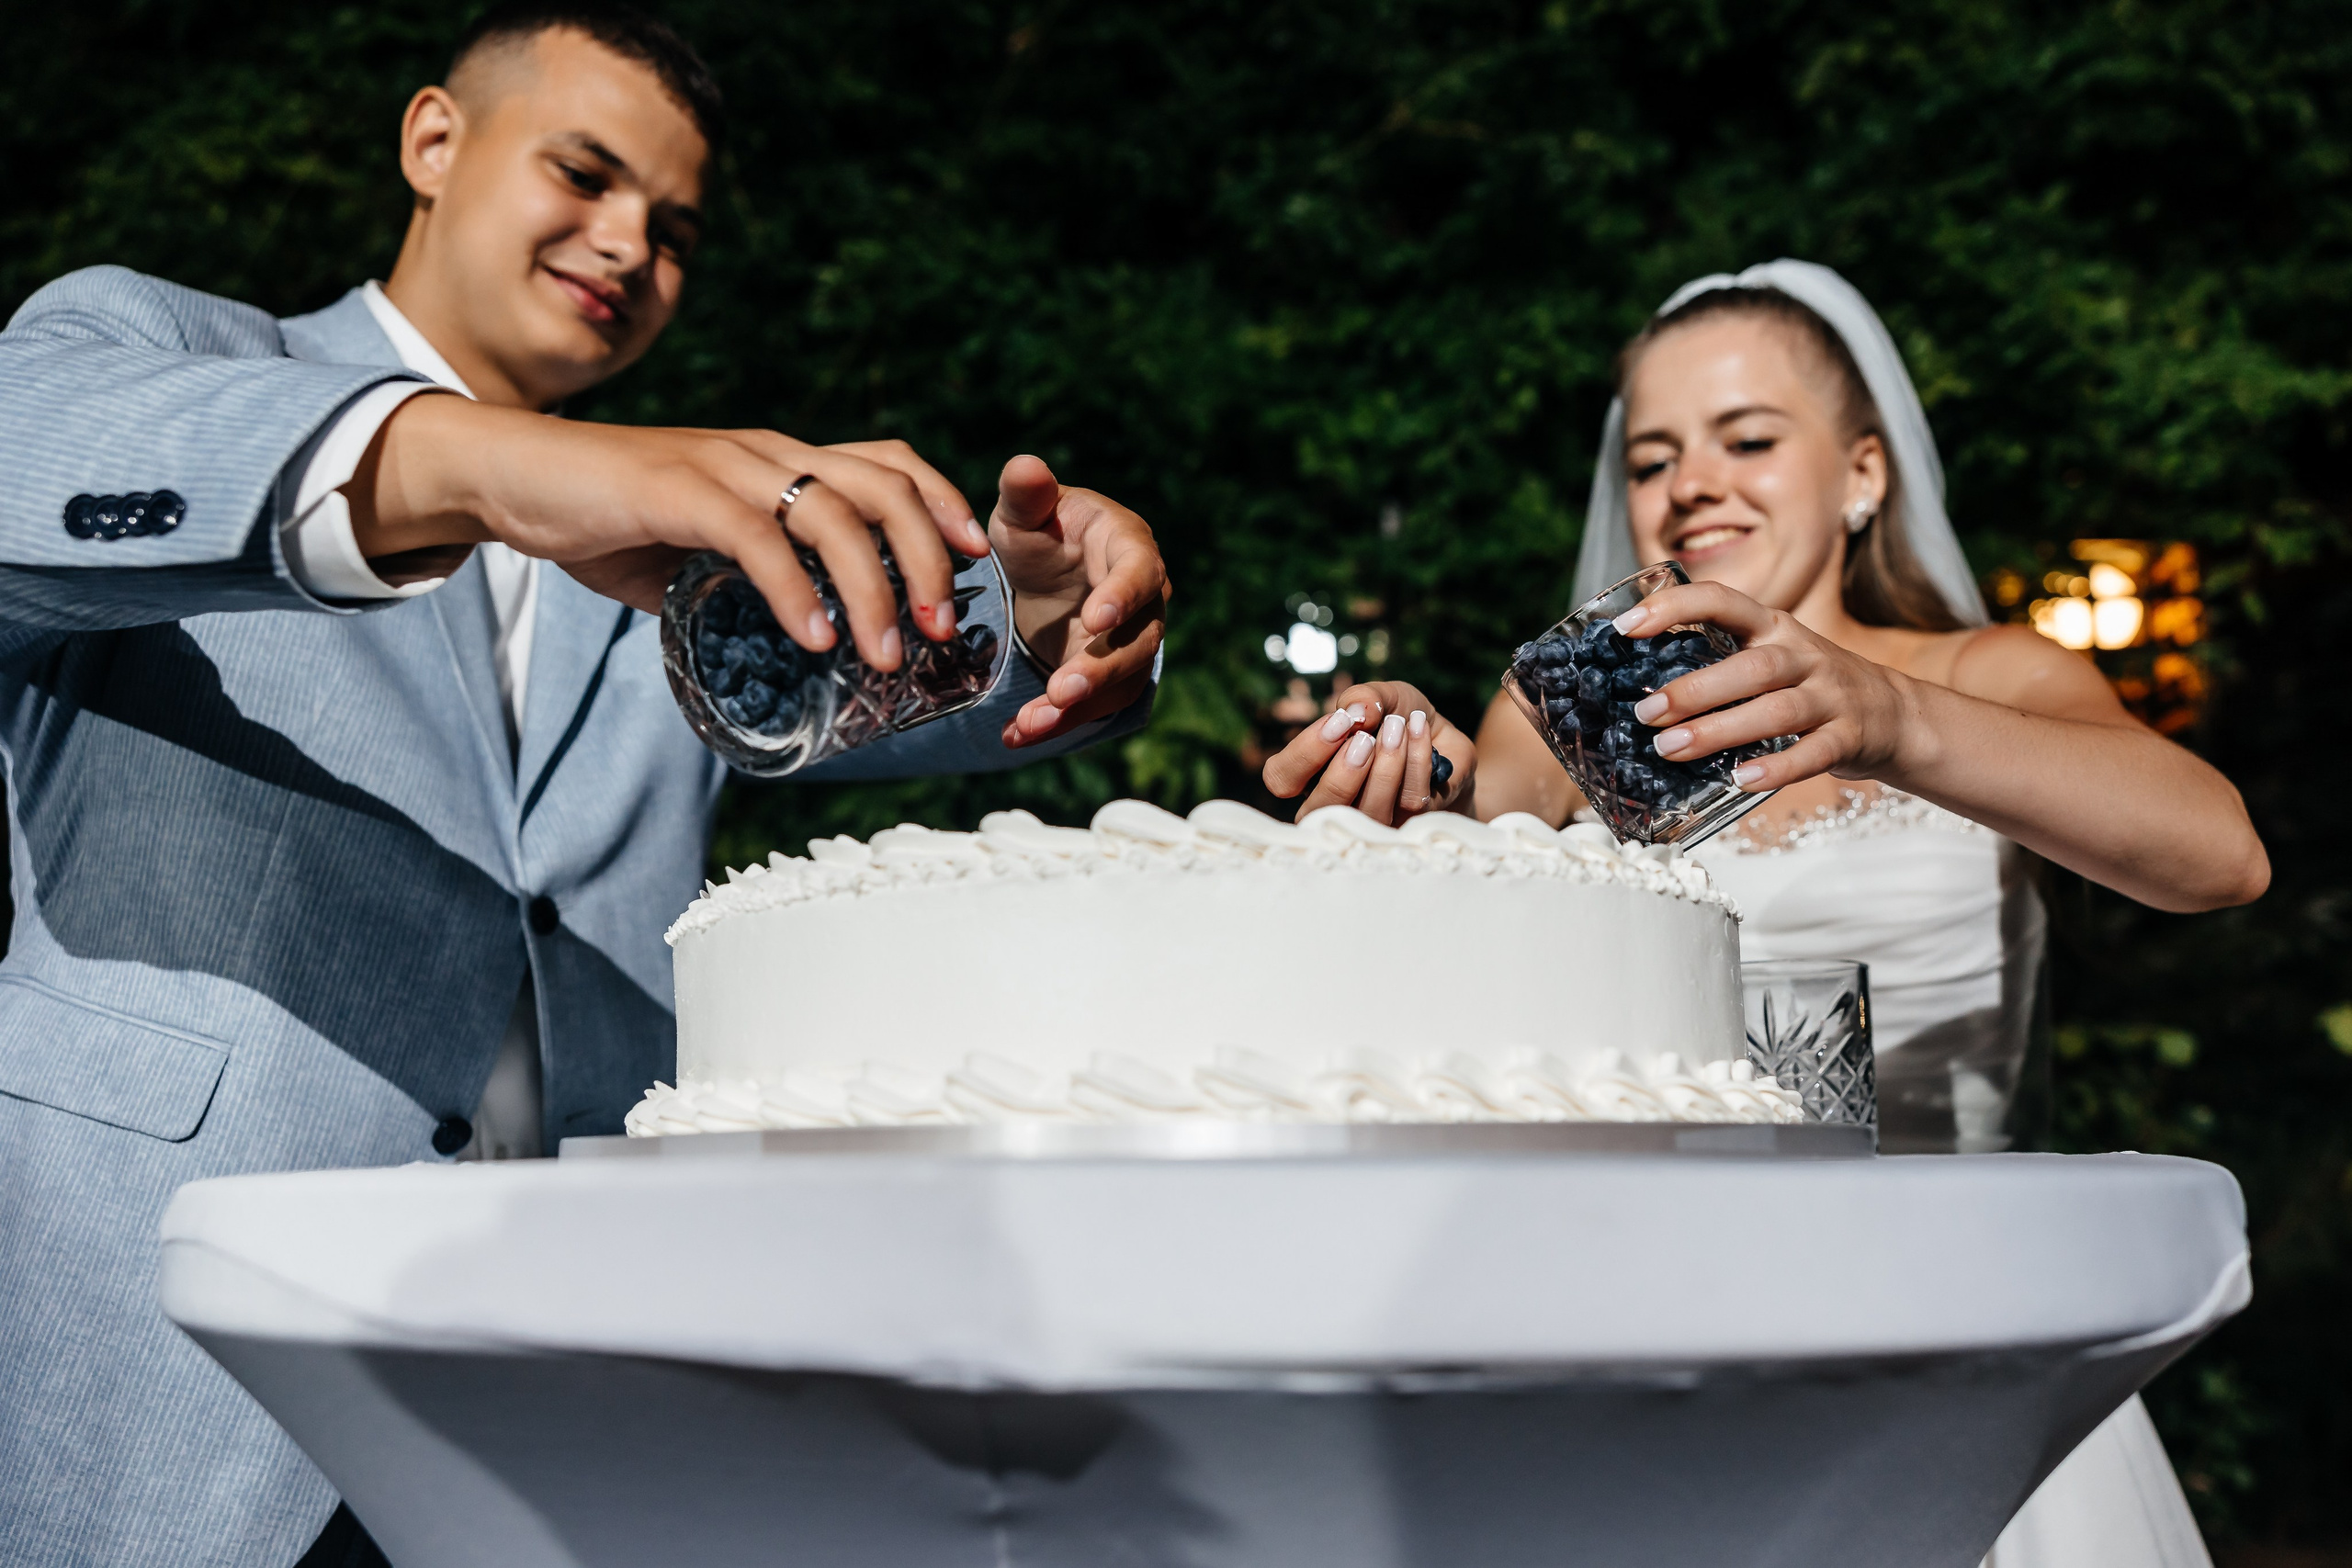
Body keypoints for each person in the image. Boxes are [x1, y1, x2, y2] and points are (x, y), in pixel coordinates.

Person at [0, 5, 1169, 1564]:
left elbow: (904, 682)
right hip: (169, 1373)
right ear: (434, 141)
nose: (630, 245)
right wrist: (494, 467)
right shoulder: (169, 352)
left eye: (675, 231)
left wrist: (1045, 618)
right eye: (586, 174)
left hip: (561, 1410)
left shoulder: (680, 541)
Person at [1263, 260, 2263, 1567]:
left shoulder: (1989, 675)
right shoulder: (1583, 724)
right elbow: (1468, 841)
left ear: (1862, 473)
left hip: (1965, 1341)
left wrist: (1890, 717)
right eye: (1655, 457)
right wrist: (1408, 777)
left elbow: (2219, 857)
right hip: (1661, 1346)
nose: (1693, 483)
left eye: (1747, 440)